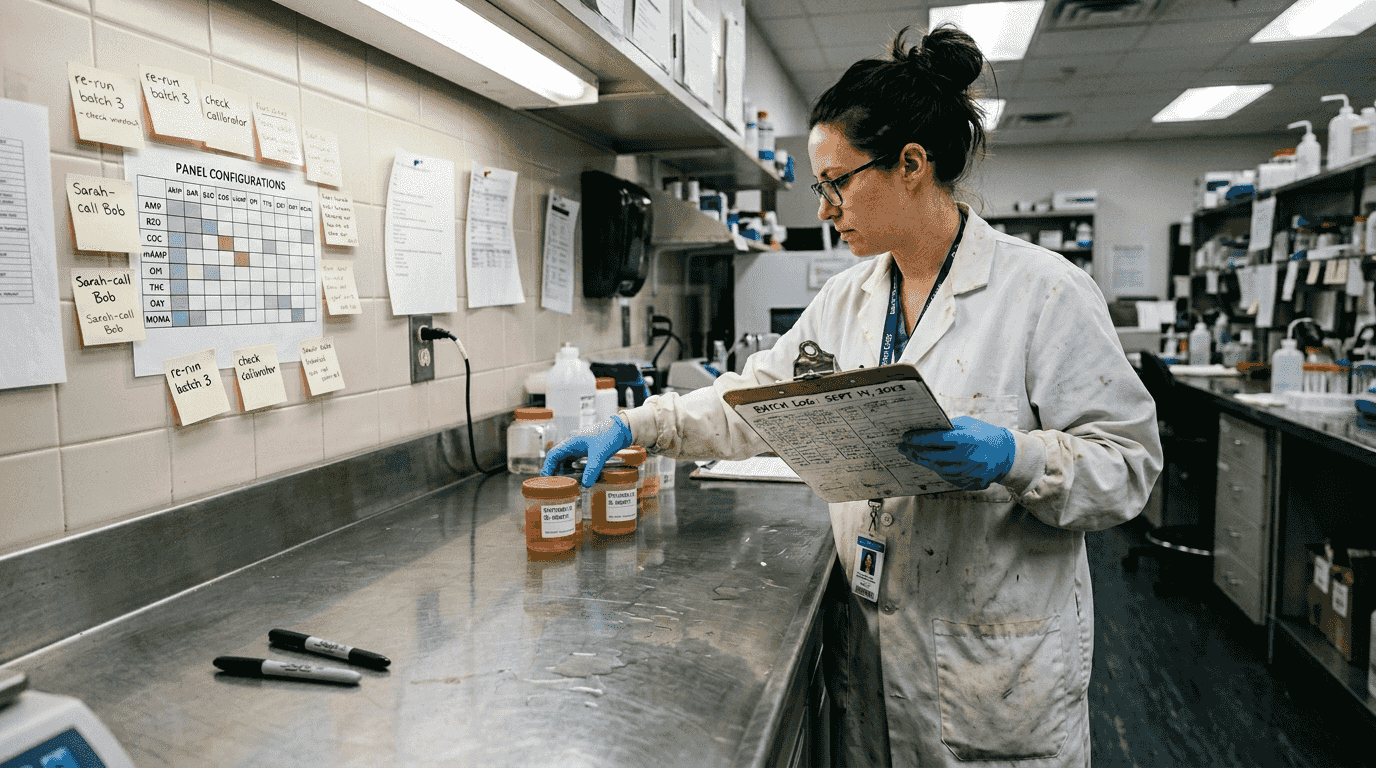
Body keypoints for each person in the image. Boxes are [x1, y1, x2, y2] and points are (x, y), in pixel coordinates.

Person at [544, 24, 1161, 768]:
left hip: (992, 670)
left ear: (910, 164)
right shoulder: (849, 299)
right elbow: (758, 398)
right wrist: (640, 424)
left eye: (838, 182)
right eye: (820, 187)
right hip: (872, 654)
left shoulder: (1044, 292)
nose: (827, 208)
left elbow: (1128, 467)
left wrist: (1016, 458)